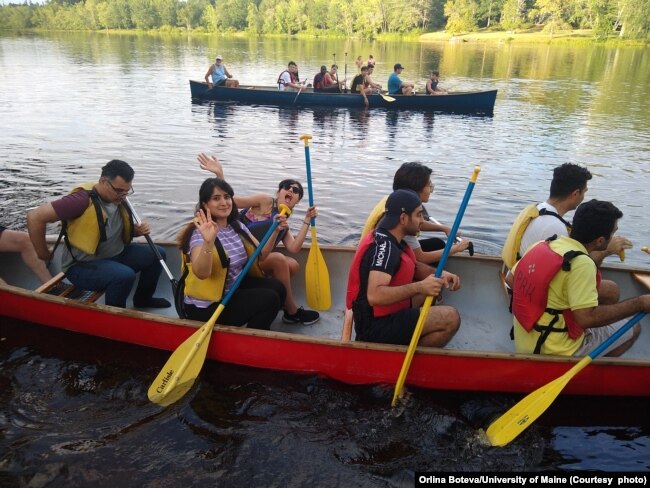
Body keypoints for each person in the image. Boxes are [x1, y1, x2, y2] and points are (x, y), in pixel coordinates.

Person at [510, 199, 648, 357]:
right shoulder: (581, 263)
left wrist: (551, 302)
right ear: (601, 240)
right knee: (633, 328)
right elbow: (586, 319)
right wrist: (640, 303)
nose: (614, 236)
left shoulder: (544, 244)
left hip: (526, 338)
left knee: (609, 291)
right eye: (613, 232)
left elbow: (511, 280)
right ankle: (588, 372)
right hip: (554, 348)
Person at [26, 160, 170, 309]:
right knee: (124, 276)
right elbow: (34, 217)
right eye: (119, 191)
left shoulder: (118, 197)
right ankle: (115, 318)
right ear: (103, 181)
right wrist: (43, 253)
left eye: (127, 191)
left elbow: (107, 230)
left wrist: (134, 231)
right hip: (82, 266)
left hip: (114, 255)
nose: (123, 196)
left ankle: (143, 299)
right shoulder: (80, 200)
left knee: (157, 254)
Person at [198, 153, 320, 325]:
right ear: (279, 192)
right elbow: (232, 202)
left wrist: (307, 220)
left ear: (298, 201)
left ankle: (271, 297)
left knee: (293, 264)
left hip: (257, 257)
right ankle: (292, 311)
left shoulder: (283, 222)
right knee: (278, 260)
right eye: (287, 187)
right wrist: (220, 176)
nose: (291, 190)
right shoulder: (264, 201)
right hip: (236, 253)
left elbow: (293, 248)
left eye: (296, 191)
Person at [346, 189, 461, 346]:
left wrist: (440, 274)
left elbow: (413, 266)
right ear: (403, 218)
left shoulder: (393, 237)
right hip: (375, 326)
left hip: (390, 311)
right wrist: (420, 286)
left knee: (436, 285)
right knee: (451, 318)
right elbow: (374, 295)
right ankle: (407, 359)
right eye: (419, 215)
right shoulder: (386, 248)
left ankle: (407, 341)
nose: (422, 220)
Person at [503, 163, 631, 303]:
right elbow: (574, 271)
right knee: (611, 291)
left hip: (518, 279)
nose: (584, 197)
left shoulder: (538, 209)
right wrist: (607, 250)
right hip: (528, 293)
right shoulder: (554, 228)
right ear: (575, 194)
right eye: (584, 192)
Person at [177, 177, 287, 328]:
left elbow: (262, 254)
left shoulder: (236, 226)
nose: (224, 202)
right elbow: (201, 273)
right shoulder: (200, 232)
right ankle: (252, 338)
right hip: (208, 306)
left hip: (230, 289)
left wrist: (276, 230)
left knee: (278, 287)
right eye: (216, 198)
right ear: (205, 204)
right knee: (270, 299)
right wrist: (208, 242)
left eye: (227, 197)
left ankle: (256, 329)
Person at [361, 162, 470, 265]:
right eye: (429, 185)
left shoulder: (396, 202)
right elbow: (421, 258)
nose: (431, 190)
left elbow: (418, 222)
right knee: (435, 252)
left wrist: (444, 229)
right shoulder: (400, 221)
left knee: (436, 244)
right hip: (377, 257)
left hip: (378, 249)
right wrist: (456, 249)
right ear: (415, 189)